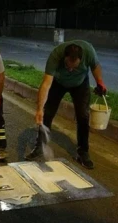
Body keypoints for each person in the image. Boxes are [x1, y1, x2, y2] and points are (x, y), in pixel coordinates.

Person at [24, 40, 107, 169]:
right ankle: (40, 146)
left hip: (80, 84)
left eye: (75, 67)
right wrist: (39, 109)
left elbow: (95, 67)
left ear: (81, 59)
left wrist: (100, 82)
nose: (71, 70)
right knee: (47, 113)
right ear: (64, 58)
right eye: (68, 66)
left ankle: (83, 152)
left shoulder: (89, 51)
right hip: (58, 83)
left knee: (83, 116)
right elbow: (46, 83)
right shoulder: (55, 55)